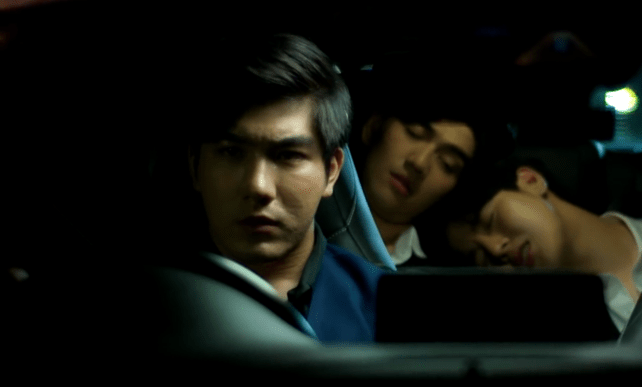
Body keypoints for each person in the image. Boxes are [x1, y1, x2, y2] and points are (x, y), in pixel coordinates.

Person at [187, 33, 384, 344]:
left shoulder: (386, 311)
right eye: (232, 152)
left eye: (288, 155)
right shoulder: (139, 304)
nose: (258, 186)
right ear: (195, 167)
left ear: (331, 172)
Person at [443, 160, 642, 334]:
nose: (495, 249)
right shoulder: (558, 341)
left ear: (530, 180)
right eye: (478, 256)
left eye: (490, 220)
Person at [347, 59, 513, 266]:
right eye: (414, 133)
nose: (419, 163)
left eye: (447, 164)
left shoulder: (442, 273)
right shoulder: (311, 224)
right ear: (373, 126)